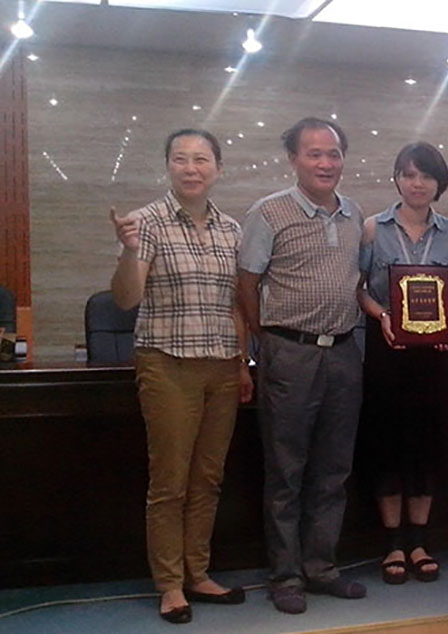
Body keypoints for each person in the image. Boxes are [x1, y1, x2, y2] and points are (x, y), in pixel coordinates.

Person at [109, 129, 252, 624]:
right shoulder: (146, 222)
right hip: (167, 363)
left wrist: (242, 362)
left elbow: (235, 305)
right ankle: (170, 585)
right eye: (181, 159)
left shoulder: (231, 229)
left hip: (222, 365)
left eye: (202, 159)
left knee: (208, 478)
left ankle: (199, 573)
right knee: (170, 480)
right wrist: (128, 251)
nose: (191, 168)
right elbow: (126, 298)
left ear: (218, 168)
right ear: (168, 165)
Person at [237, 117, 367, 614]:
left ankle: (321, 568)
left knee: (334, 470)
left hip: (344, 352)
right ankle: (286, 576)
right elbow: (247, 283)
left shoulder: (354, 214)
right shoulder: (268, 213)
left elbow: (355, 281)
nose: (325, 163)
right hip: (289, 352)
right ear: (293, 159)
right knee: (286, 470)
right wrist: (265, 341)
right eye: (314, 153)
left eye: (333, 153)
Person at [357, 142, 448, 583]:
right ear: (397, 179)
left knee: (425, 446)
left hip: (432, 357)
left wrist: (446, 326)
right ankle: (392, 544)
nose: (417, 183)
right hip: (387, 352)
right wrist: (382, 315)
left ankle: (419, 540)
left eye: (426, 176)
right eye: (409, 174)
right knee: (387, 445)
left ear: (439, 183)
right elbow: (360, 288)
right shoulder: (372, 228)